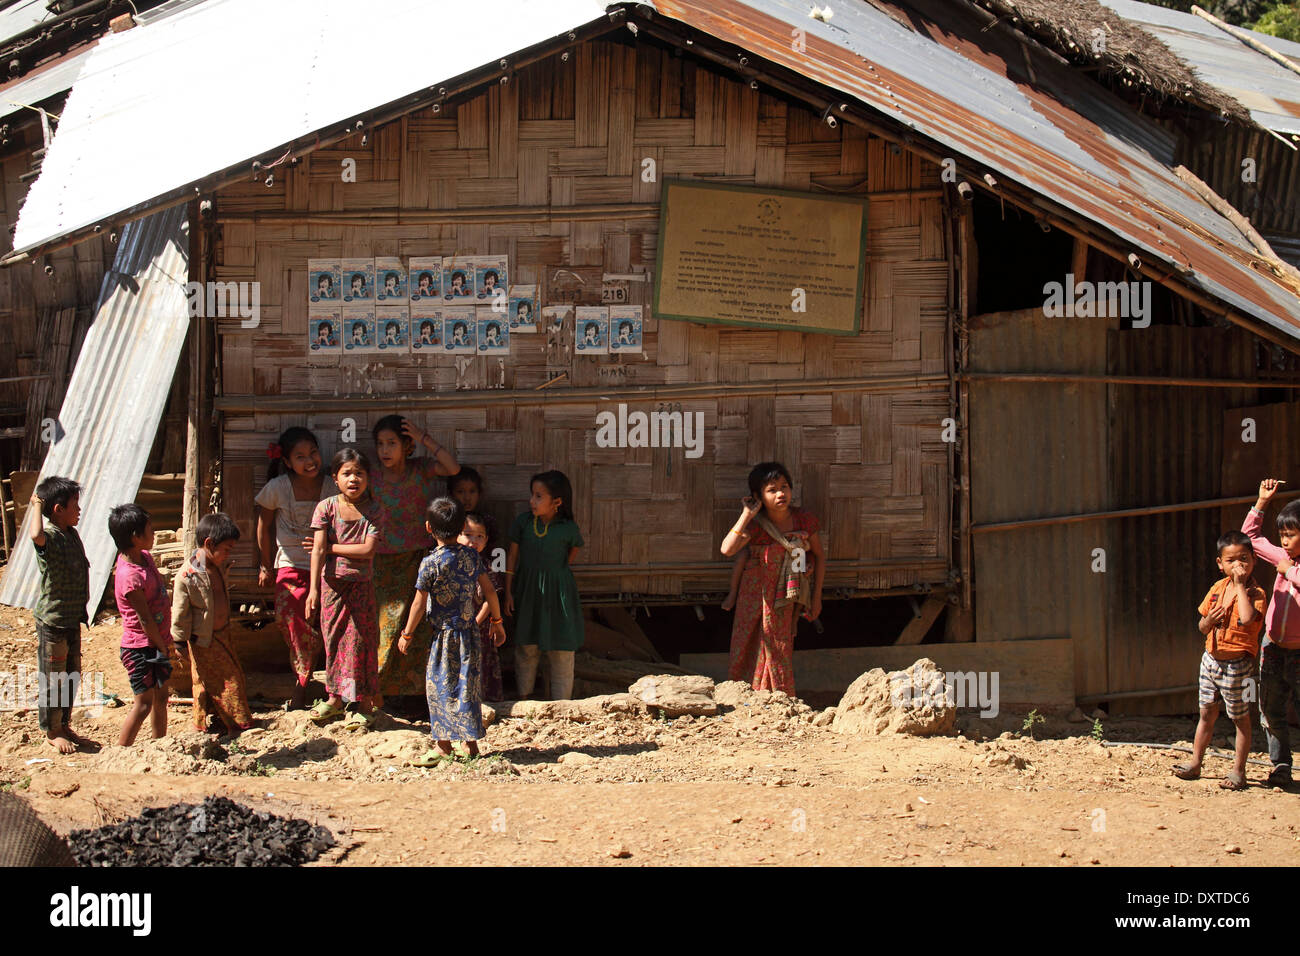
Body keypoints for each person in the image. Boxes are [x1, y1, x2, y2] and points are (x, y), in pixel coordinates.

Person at [400, 498, 506, 762]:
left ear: (428, 527)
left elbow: (418, 603)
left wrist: (407, 634)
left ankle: (443, 744)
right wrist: (497, 621)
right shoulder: (472, 557)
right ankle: (470, 744)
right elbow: (490, 591)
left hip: (444, 636)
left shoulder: (431, 563)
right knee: (467, 687)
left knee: (440, 687)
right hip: (470, 634)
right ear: (459, 527)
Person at [369, 415, 459, 711]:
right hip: (382, 563)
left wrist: (425, 439)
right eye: (381, 444)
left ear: (407, 447)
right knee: (386, 627)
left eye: (392, 443)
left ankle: (416, 696)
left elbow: (452, 467)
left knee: (419, 628)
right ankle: (377, 693)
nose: (385, 450)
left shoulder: (420, 469)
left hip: (418, 559)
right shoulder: (371, 475)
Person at [720, 462, 824, 696]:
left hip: (787, 593)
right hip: (755, 593)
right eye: (772, 489)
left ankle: (779, 694)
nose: (781, 494)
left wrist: (816, 599)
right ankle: (745, 694)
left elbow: (817, 557)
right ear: (758, 496)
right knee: (746, 640)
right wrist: (747, 515)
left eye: (784, 487)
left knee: (779, 644)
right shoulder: (756, 526)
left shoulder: (803, 521)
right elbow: (727, 549)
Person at [1171, 531, 1265, 790]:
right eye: (1231, 560)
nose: (1238, 565)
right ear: (1220, 564)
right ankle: (1196, 762)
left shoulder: (1256, 593)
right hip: (1210, 661)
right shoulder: (1216, 589)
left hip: (1238, 667)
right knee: (1206, 713)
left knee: (1240, 718)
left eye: (1243, 559)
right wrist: (1209, 620)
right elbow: (1202, 626)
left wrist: (1238, 587)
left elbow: (1247, 619)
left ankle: (1238, 771)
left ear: (1254, 560)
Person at [255, 427, 337, 709]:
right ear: (288, 462)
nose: (309, 460)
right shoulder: (278, 488)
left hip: (327, 567)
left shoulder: (331, 486)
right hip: (290, 566)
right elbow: (263, 525)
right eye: (300, 457)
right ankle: (302, 680)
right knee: (290, 620)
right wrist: (266, 566)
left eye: (313, 453)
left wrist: (325, 542)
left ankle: (333, 686)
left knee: (330, 622)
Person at [306, 449, 382, 731]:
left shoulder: (374, 509)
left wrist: (330, 547)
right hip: (331, 587)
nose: (354, 479)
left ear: (368, 478)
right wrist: (313, 589)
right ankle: (335, 698)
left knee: (363, 641)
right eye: (347, 473)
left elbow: (368, 549)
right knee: (334, 640)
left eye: (359, 473)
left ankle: (363, 703)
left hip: (361, 587)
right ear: (335, 478)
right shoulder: (326, 507)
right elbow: (315, 552)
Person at [171, 512, 255, 737]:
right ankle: (238, 724)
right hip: (204, 640)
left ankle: (217, 721)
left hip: (222, 634)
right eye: (227, 549)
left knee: (217, 678)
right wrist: (179, 642)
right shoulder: (188, 576)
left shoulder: (216, 565)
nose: (229, 553)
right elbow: (180, 612)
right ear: (209, 544)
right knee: (228, 681)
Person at [27, 476, 93, 754]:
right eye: (74, 505)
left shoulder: (71, 534)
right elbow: (35, 536)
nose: (79, 510)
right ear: (57, 509)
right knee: (53, 677)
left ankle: (64, 723)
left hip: (70, 619)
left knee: (71, 674)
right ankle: (52, 730)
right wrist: (35, 504)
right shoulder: (50, 536)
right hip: (53, 621)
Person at [506, 470, 584, 700]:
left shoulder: (568, 528)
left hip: (558, 594)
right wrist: (508, 592)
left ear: (557, 502)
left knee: (561, 650)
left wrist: (554, 574)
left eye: (539, 496)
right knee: (526, 647)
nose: (532, 501)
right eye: (532, 495)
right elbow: (511, 557)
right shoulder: (523, 523)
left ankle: (563, 706)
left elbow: (572, 553)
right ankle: (525, 701)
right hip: (528, 591)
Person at [1243, 477, 1300, 788]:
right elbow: (1249, 537)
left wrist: (1290, 573)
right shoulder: (1282, 558)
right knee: (1271, 708)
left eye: (1290, 535)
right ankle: (1280, 766)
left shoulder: (1287, 566)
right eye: (1282, 536)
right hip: (1273, 647)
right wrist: (1262, 502)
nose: (1285, 541)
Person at [110, 504, 172, 746]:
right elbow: (144, 619)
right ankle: (120, 752)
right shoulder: (129, 576)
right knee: (144, 703)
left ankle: (160, 746)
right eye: (150, 529)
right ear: (136, 537)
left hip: (157, 641)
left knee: (161, 696)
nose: (154, 533)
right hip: (140, 648)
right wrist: (162, 646)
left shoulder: (145, 558)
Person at [459, 510, 505, 701]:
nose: (473, 541)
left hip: (481, 626)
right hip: (456, 626)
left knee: (480, 662)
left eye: (479, 536)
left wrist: (476, 622)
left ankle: (482, 701)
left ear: (487, 540)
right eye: (468, 535)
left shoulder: (488, 566)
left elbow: (490, 596)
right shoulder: (451, 564)